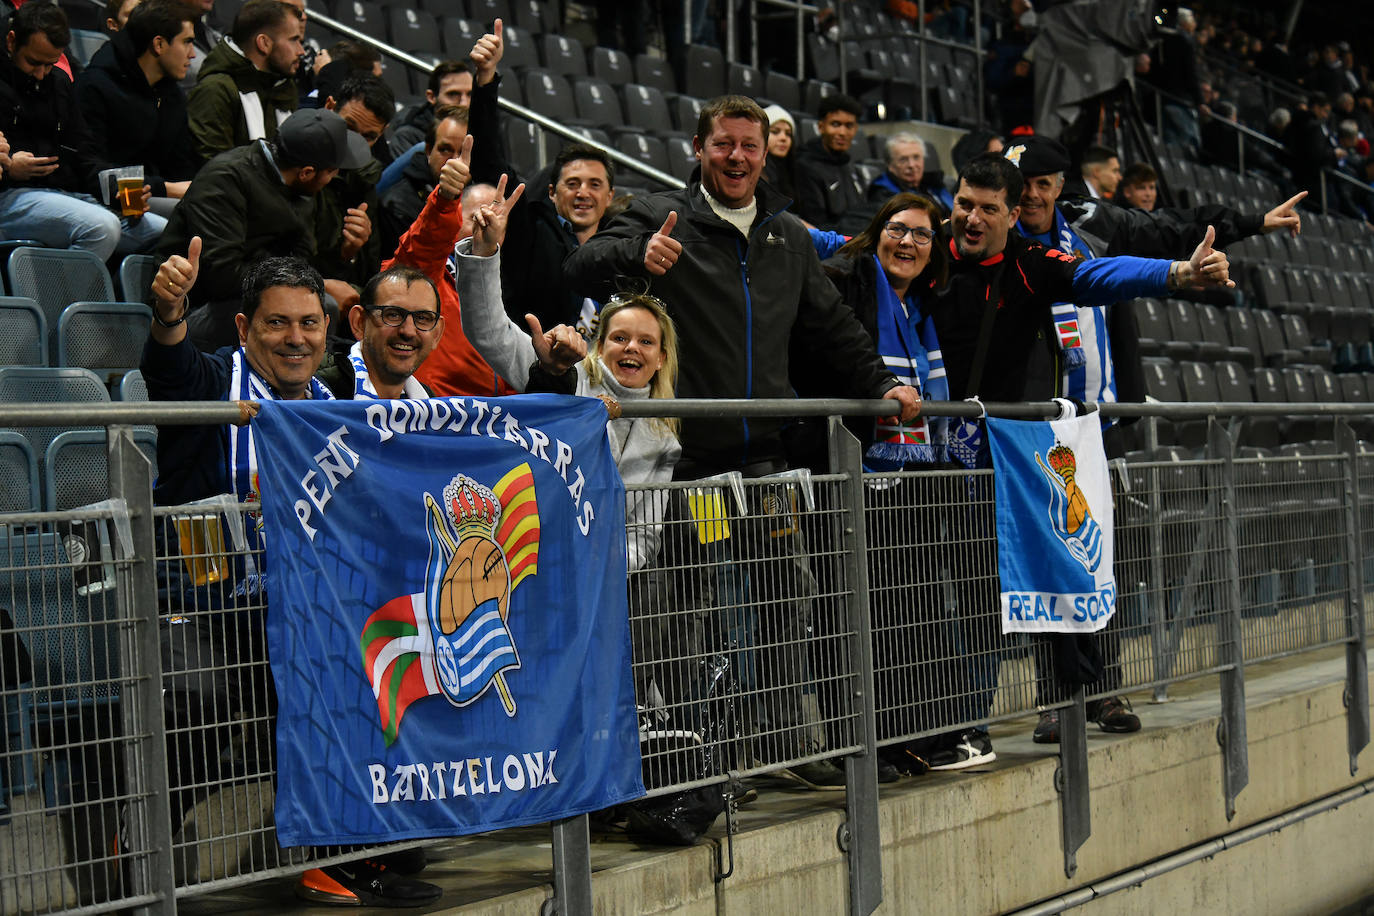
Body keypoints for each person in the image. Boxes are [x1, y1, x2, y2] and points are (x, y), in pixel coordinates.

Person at [565, 94, 919, 790]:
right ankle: (698, 754)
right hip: (690, 464)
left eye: (749, 146)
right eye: (723, 144)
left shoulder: (787, 236)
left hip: (766, 462)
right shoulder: (665, 217)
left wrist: (885, 383)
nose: (736, 157)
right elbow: (585, 265)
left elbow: (834, 327)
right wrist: (638, 249)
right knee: (685, 611)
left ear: (766, 153)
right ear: (700, 148)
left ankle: (784, 744)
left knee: (788, 598)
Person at [141, 245, 444, 909]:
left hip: (303, 610)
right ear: (245, 329)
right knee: (231, 695)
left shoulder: (332, 400)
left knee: (391, 657)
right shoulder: (213, 380)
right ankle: (153, 852)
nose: (296, 338)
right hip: (213, 606)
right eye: (277, 324)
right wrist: (169, 316)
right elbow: (168, 371)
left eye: (309, 323)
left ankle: (361, 852)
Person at [913, 151, 1236, 768]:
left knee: (984, 598)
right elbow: (853, 244)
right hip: (921, 459)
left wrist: (1174, 274)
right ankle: (918, 729)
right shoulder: (927, 249)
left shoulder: (1033, 265)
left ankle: (968, 726)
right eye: (963, 205)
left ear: (1013, 215)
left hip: (995, 466)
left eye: (987, 209)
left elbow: (1100, 277)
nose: (970, 219)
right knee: (925, 597)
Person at [156, 106, 373, 349]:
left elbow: (304, 261)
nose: (333, 178)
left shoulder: (301, 189)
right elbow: (223, 277)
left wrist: (345, 252)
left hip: (256, 300)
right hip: (193, 309)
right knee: (318, 308)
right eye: (333, 171)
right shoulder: (225, 180)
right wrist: (317, 283)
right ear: (307, 172)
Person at [384, 132, 514, 398]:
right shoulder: (425, 277)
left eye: (495, 219)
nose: (484, 223)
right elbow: (424, 245)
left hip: (491, 420)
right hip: (433, 413)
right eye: (475, 215)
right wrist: (445, 200)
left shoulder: (510, 286)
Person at [0, 3, 127, 259]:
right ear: (12, 41)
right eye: (33, 63)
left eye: (49, 64)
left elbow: (84, 154)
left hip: (65, 192)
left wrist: (117, 190)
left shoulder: (58, 83)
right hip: (10, 196)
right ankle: (59, 299)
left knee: (162, 231)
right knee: (102, 228)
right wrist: (10, 168)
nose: (40, 74)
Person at [76, 0, 199, 231]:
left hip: (153, 193)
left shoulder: (172, 94)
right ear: (159, 44)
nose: (192, 54)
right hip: (114, 200)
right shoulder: (96, 86)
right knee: (195, 218)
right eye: (187, 42)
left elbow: (182, 166)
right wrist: (167, 188)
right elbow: (92, 172)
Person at [186, 0, 303, 163]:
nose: (301, 51)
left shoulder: (283, 87)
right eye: (293, 40)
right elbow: (216, 172)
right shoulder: (215, 90)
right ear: (264, 43)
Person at [792, 93, 867, 230]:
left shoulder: (849, 165)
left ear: (855, 129)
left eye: (849, 126)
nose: (842, 132)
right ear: (821, 127)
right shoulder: (805, 165)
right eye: (835, 124)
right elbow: (816, 224)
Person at [386, 58, 472, 161]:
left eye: (470, 94)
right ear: (431, 97)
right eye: (453, 94)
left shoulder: (483, 128)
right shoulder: (406, 138)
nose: (464, 103)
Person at [865, 132, 953, 213]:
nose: (911, 165)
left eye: (916, 157)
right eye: (903, 160)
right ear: (890, 165)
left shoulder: (934, 184)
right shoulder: (883, 194)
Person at [760, 103, 796, 200]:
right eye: (775, 131)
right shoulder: (757, 170)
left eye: (788, 134)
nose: (783, 138)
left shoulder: (793, 169)